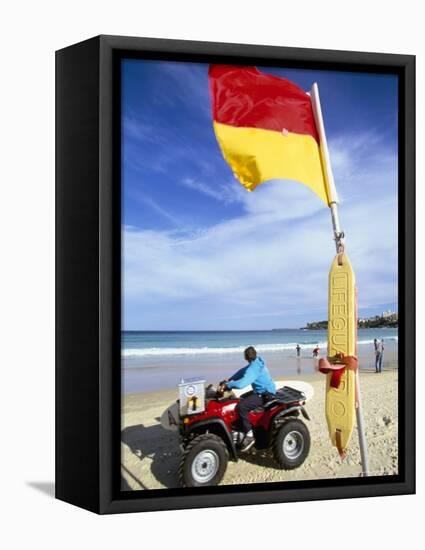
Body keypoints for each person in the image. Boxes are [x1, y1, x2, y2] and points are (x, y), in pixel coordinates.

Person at [219, 346, 276, 452]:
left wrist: (228, 385)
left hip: (265, 394)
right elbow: (242, 371)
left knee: (241, 407)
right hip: (264, 391)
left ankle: (249, 436)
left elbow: (241, 384)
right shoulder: (257, 362)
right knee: (241, 399)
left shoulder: (253, 369)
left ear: (246, 357)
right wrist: (230, 379)